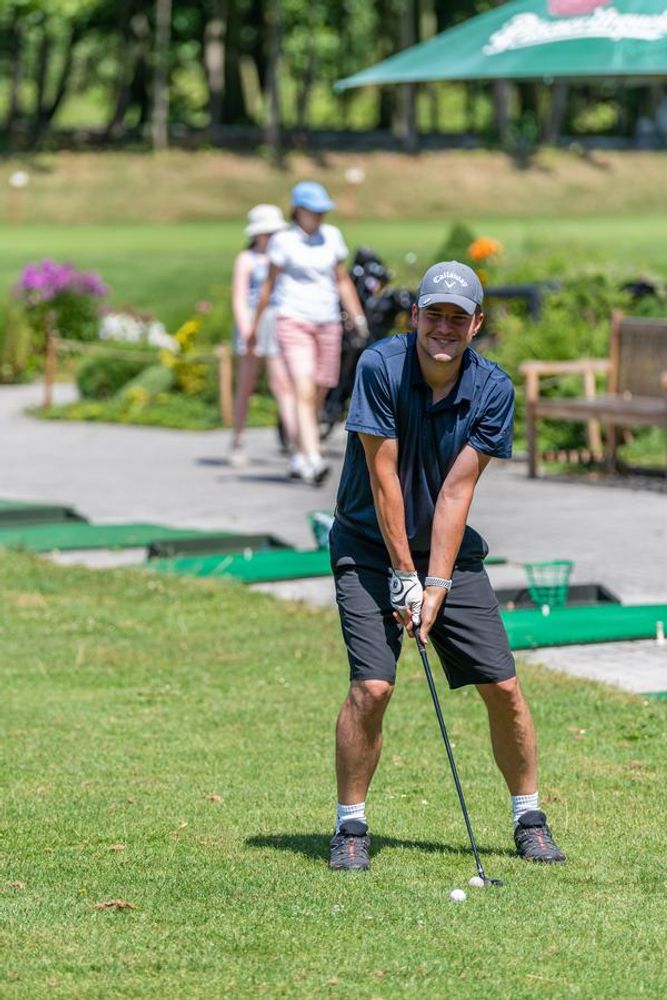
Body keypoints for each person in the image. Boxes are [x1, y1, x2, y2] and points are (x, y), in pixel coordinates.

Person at [328, 260, 566, 871]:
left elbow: (456, 493)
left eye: (457, 318)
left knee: (504, 687)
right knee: (373, 686)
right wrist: (402, 574)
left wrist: (434, 583)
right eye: (433, 314)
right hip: (367, 545)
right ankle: (350, 825)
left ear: (476, 324)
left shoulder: (492, 389)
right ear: (415, 316)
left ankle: (529, 818)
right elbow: (384, 478)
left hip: (447, 553)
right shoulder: (380, 367)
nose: (443, 327)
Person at [252, 181, 367, 485]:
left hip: (327, 320)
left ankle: (301, 450)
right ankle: (314, 458)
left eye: (321, 211)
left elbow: (341, 280)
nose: (318, 216)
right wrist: (255, 324)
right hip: (293, 319)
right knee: (303, 388)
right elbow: (269, 285)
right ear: (298, 211)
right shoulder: (284, 241)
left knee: (321, 387)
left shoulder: (332, 237)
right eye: (313, 211)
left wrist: (357, 316)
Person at [229, 204, 298, 468]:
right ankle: (238, 438)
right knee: (246, 384)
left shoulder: (280, 257)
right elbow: (239, 298)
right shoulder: (247, 259)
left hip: (276, 319)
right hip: (252, 320)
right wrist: (247, 330)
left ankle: (298, 445)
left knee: (282, 384)